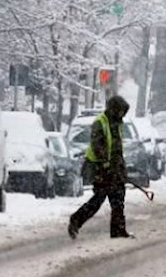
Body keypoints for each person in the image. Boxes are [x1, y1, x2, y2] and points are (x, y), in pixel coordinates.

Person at [68, 95, 133, 239]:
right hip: (99, 168)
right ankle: (76, 220)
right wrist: (106, 165)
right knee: (98, 199)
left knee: (118, 200)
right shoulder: (100, 123)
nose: (122, 114)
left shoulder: (118, 124)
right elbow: (98, 147)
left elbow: (117, 148)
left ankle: (118, 230)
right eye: (120, 111)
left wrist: (121, 168)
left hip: (114, 168)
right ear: (114, 109)